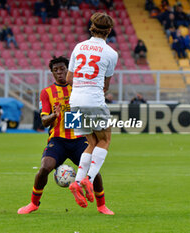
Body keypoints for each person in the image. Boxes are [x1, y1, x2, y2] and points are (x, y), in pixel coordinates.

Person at [17, 56, 114, 215]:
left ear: (69, 70)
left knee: (93, 171)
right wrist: (54, 116)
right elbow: (43, 121)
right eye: (56, 70)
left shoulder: (78, 89)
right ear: (52, 73)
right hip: (58, 140)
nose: (59, 73)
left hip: (79, 139)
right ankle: (33, 204)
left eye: (62, 69)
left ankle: (101, 206)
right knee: (45, 168)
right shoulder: (47, 92)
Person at [66, 12, 118, 209]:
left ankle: (77, 182)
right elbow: (105, 84)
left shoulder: (78, 47)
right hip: (94, 100)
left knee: (91, 142)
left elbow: (70, 78)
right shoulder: (111, 53)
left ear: (91, 27)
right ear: (109, 31)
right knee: (105, 140)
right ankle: (89, 178)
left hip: (75, 100)